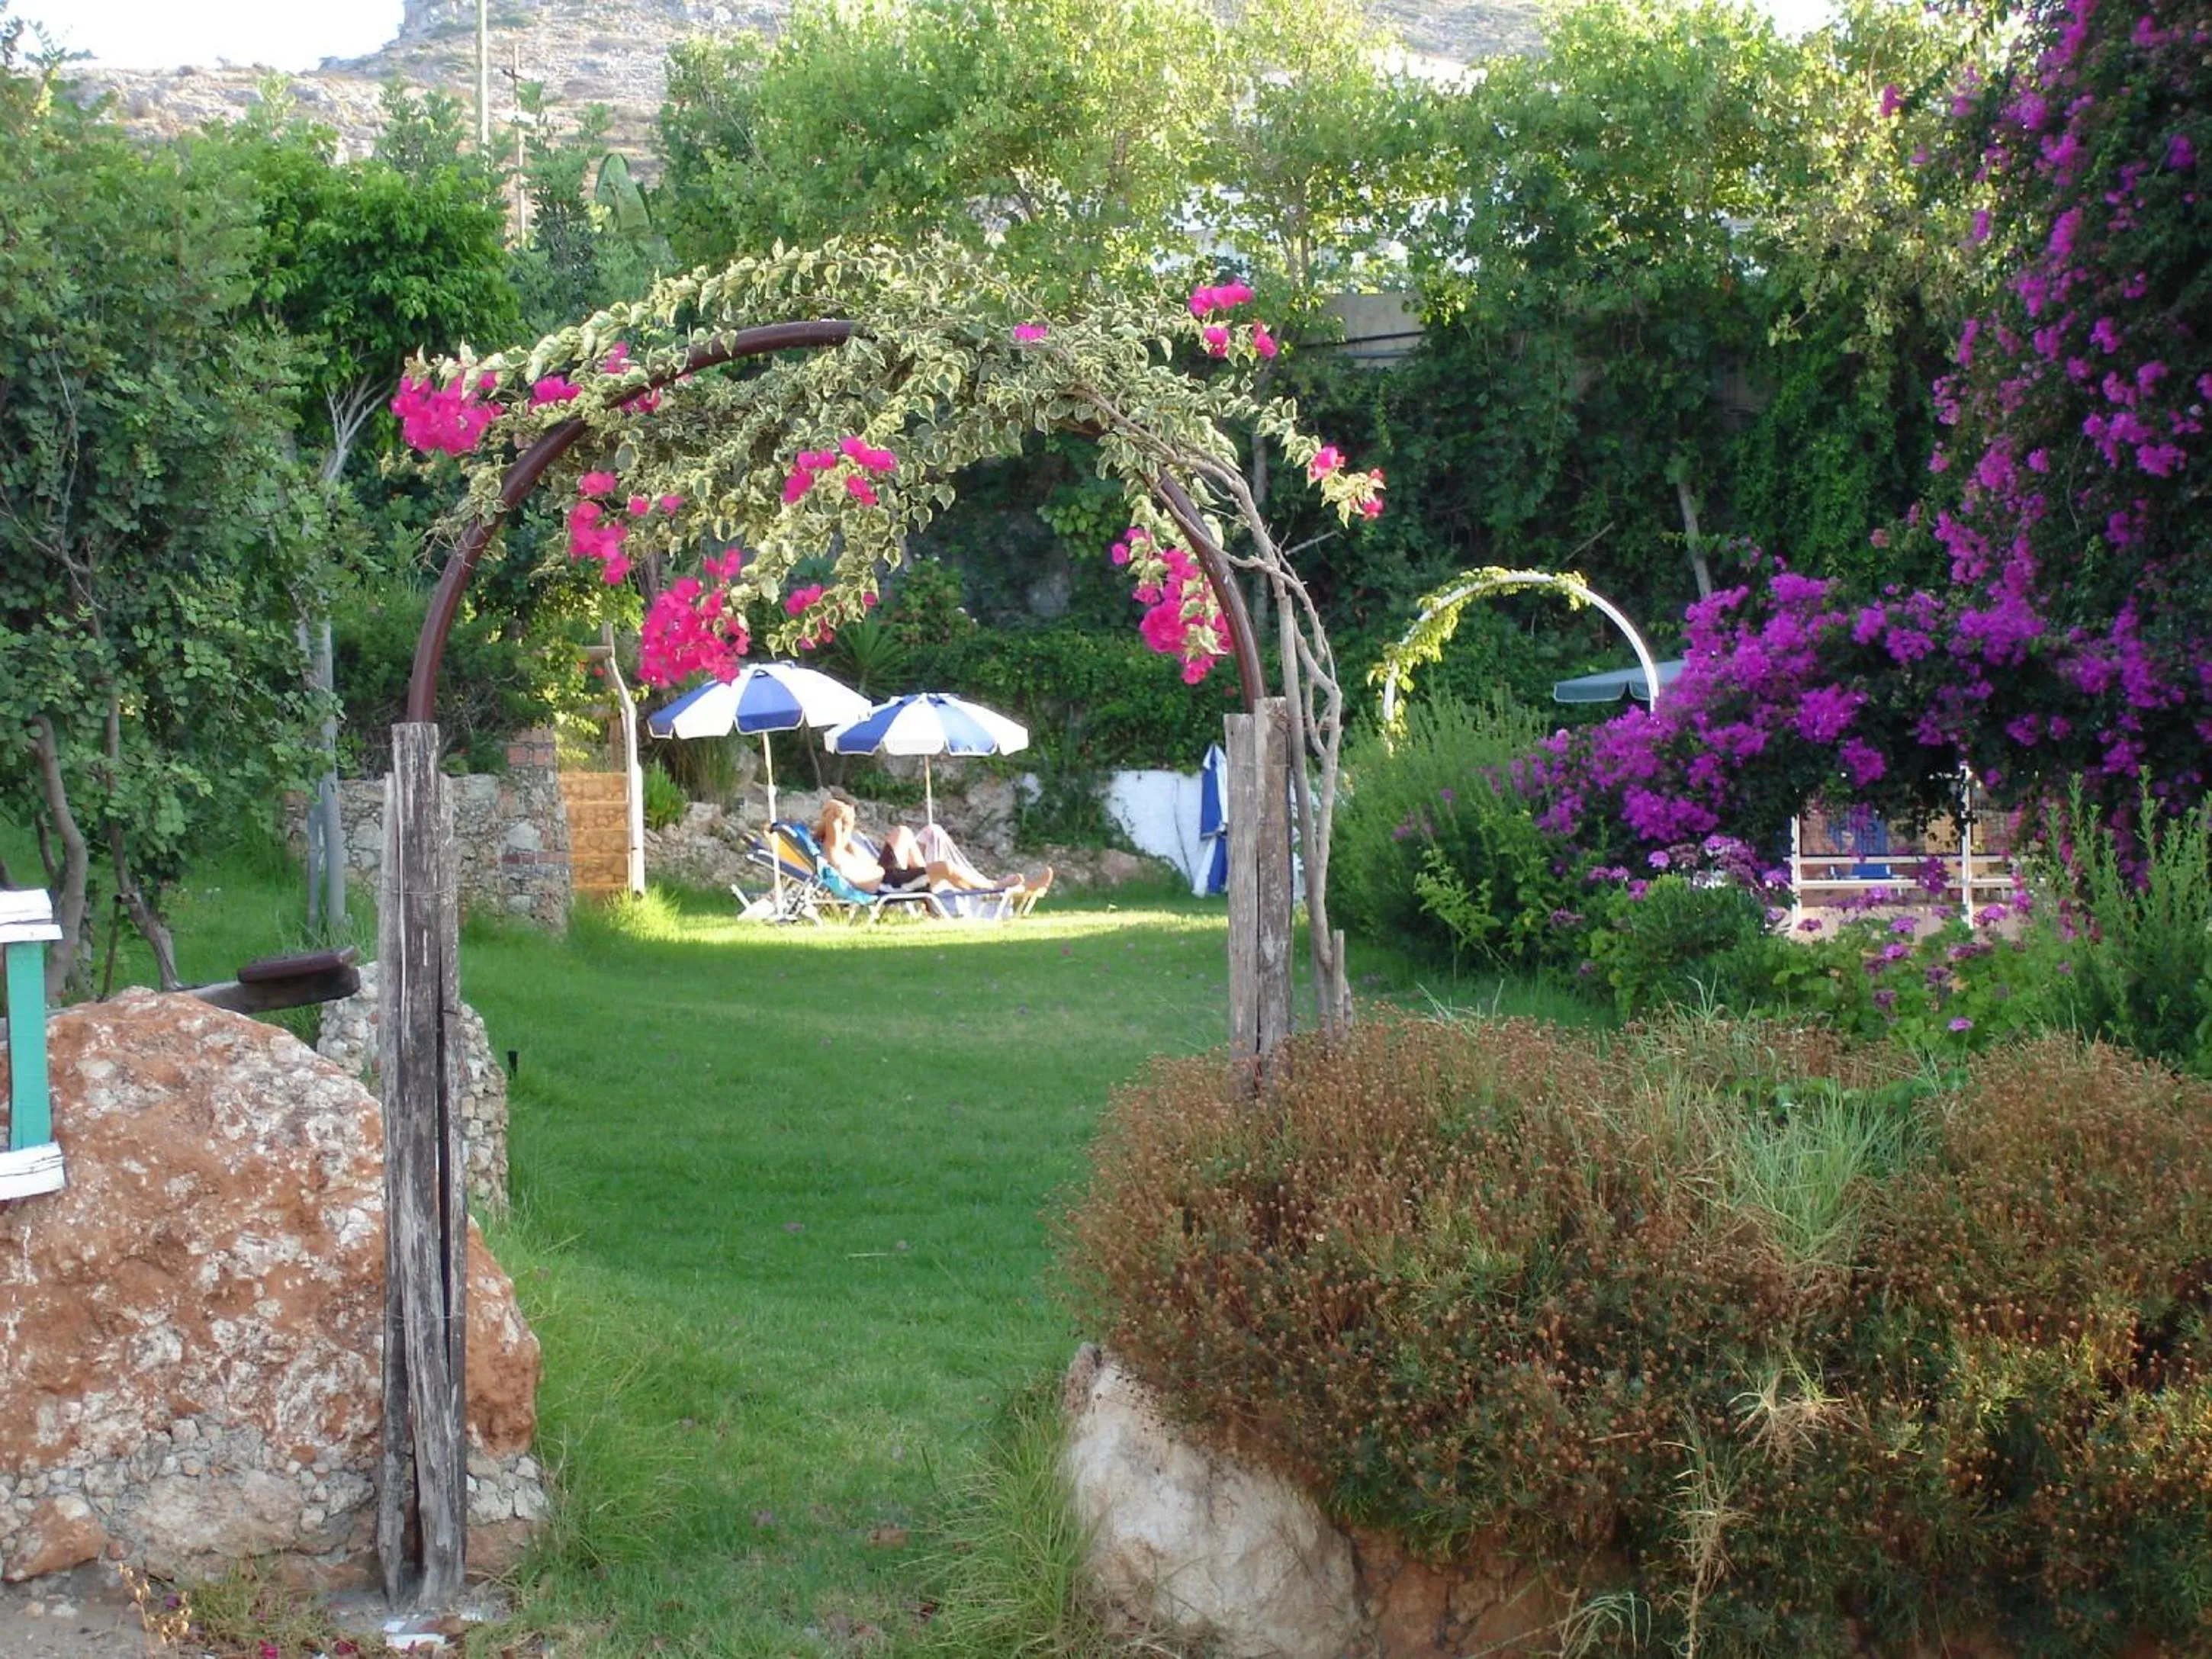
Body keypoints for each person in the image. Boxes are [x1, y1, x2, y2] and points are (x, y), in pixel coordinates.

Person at [813, 799, 1050, 899]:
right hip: (889, 886)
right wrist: (836, 812)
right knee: (945, 867)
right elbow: (835, 820)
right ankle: (994, 889)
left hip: (887, 874)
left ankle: (928, 893)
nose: (845, 827)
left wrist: (844, 813)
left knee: (903, 833)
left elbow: (843, 823)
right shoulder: (833, 853)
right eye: (840, 825)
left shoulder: (843, 847)